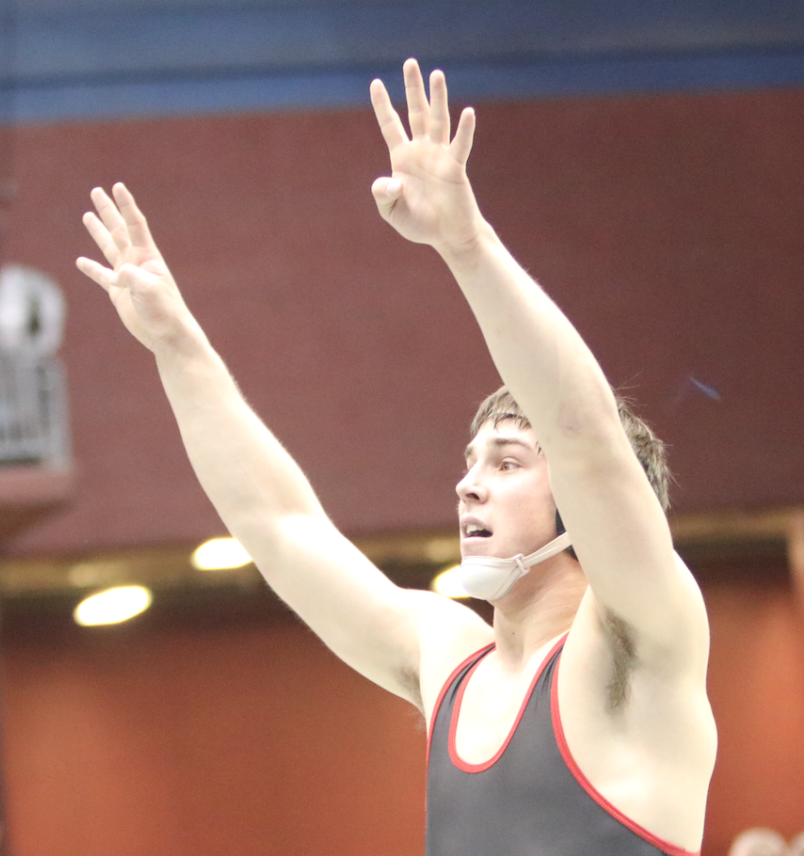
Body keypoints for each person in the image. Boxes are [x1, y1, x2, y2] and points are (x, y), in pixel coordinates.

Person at [77, 58, 716, 856]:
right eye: (471, 462)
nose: (468, 486)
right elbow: (279, 527)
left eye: (507, 463)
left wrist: (467, 245)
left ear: (584, 512)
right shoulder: (447, 656)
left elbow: (584, 435)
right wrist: (178, 347)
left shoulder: (641, 635)